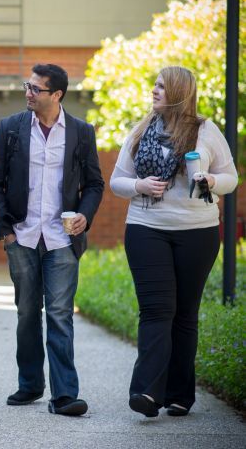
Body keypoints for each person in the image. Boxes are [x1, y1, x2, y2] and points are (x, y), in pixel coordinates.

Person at [110, 66, 238, 418]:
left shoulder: (206, 131)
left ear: (180, 91)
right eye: (154, 84)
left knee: (184, 314)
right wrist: (140, 186)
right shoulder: (140, 129)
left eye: (161, 86)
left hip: (198, 231)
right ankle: (146, 393)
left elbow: (231, 177)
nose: (154, 90)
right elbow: (117, 181)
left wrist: (212, 179)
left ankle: (180, 395)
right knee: (156, 310)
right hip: (146, 227)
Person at [0, 64, 104, 416]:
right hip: (21, 236)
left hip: (62, 240)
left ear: (57, 95)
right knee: (26, 314)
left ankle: (65, 394)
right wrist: (5, 232)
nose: (28, 93)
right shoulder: (10, 129)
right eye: (27, 86)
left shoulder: (81, 132)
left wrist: (85, 214)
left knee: (60, 315)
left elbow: (94, 184)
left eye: (36, 89)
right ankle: (30, 384)